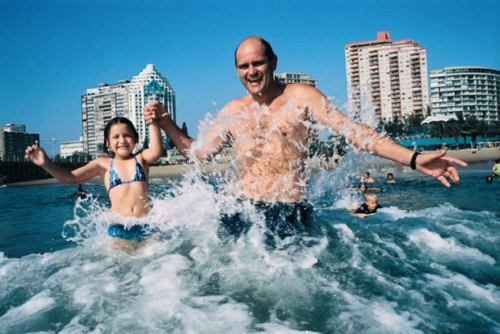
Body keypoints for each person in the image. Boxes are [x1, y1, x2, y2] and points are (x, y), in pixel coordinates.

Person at [143, 36, 467, 234]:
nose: (251, 71)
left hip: (288, 210)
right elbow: (198, 154)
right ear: (237, 70)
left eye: (258, 63)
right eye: (244, 66)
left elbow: (356, 134)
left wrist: (414, 158)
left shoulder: (302, 97)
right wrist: (166, 122)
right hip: (239, 210)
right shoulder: (232, 111)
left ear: (273, 62)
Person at [25, 117, 162, 250]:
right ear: (107, 142)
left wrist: (152, 122)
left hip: (145, 224)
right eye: (115, 137)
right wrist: (46, 164)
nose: (122, 140)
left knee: (156, 260)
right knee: (124, 266)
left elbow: (156, 152)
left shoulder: (141, 159)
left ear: (136, 138)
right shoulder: (103, 164)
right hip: (120, 227)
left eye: (127, 135)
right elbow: (71, 177)